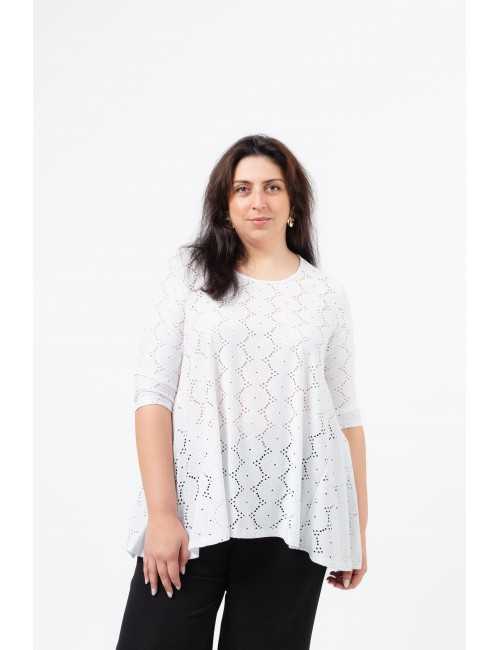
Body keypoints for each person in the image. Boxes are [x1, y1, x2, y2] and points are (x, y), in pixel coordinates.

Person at [115, 134, 368, 650]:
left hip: (295, 521)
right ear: (225, 205)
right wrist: (161, 514)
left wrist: (355, 530)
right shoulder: (191, 275)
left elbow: (346, 418)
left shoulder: (325, 296)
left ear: (293, 203)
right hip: (194, 513)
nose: (258, 201)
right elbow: (153, 395)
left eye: (273, 187)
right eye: (243, 189)